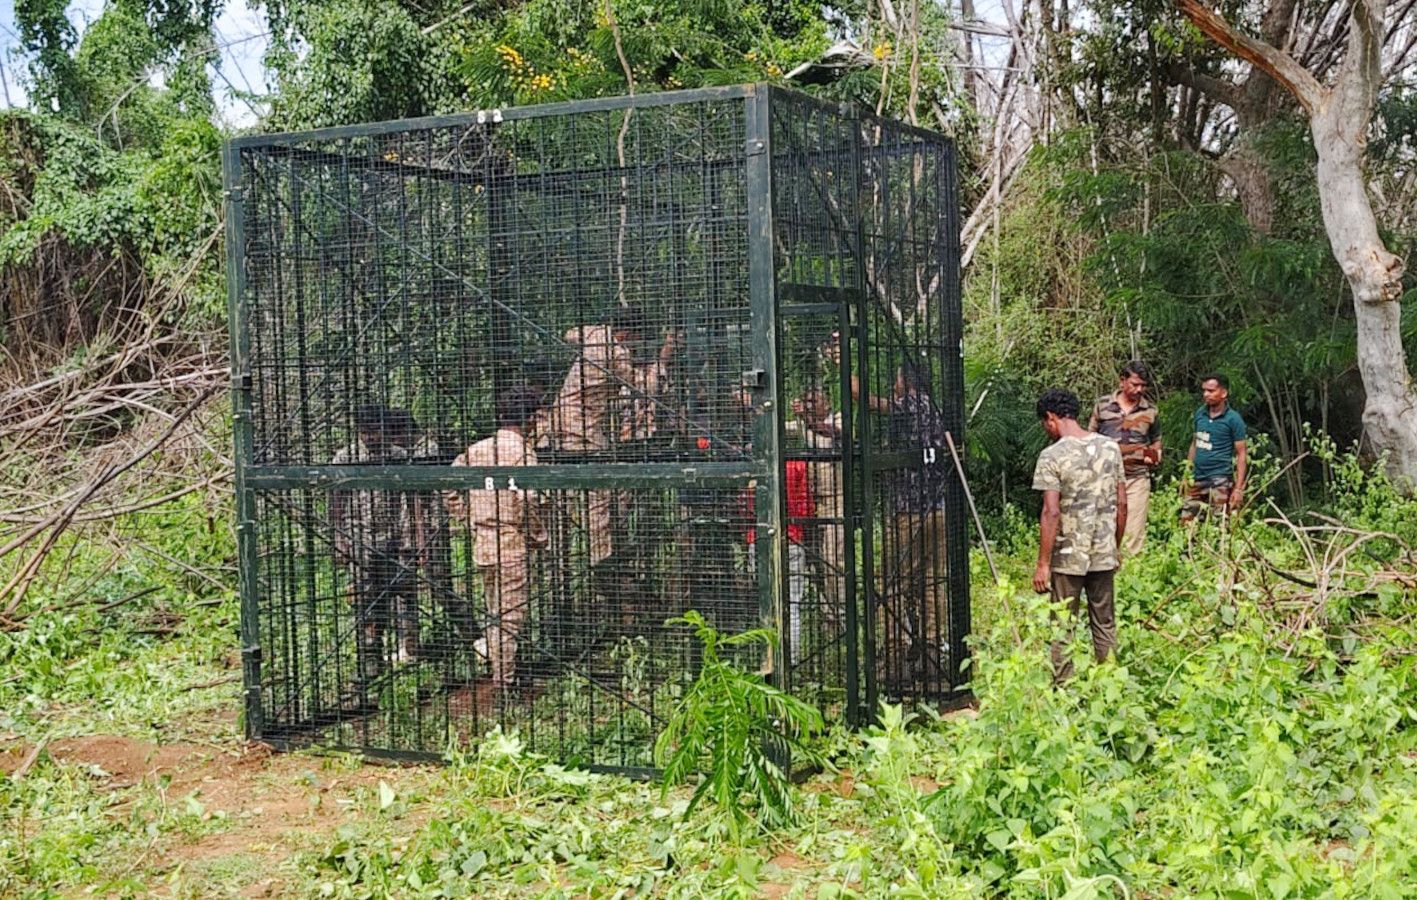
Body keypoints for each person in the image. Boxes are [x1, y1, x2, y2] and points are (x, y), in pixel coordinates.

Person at [546, 307, 677, 620]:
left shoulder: (592, 334)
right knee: (601, 491)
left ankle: (606, 546)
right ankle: (601, 555)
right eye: (637, 339)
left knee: (603, 486)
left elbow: (569, 333)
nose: (636, 346)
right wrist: (663, 359)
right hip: (581, 428)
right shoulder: (616, 352)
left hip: (563, 420)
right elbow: (645, 388)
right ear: (627, 334)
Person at [445, 386, 548, 694]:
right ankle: (505, 683)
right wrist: (537, 534)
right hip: (510, 541)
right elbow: (528, 499)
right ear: (529, 419)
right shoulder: (523, 453)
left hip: (483, 543)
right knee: (510, 618)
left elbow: (448, 484)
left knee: (495, 612)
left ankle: (501, 670)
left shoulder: (477, 450)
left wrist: (467, 515)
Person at [1032, 388, 1127, 683]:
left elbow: (1051, 512)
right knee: (1104, 622)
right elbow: (1122, 503)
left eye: (1045, 424)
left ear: (1051, 417)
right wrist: (1115, 547)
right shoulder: (1110, 448)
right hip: (1103, 553)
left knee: (1063, 625)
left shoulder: (1051, 456)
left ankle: (1065, 690)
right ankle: (1109, 685)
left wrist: (1043, 564)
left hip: (1067, 558)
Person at [330, 404, 413, 701]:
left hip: (392, 538)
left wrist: (411, 538)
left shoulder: (398, 456)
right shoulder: (346, 457)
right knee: (365, 603)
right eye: (365, 431)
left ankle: (404, 653)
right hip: (359, 540)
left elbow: (409, 499)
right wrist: (339, 539)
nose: (370, 437)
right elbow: (335, 502)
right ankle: (369, 664)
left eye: (375, 430)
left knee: (397, 595)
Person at [743, 459, 814, 665]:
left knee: (765, 602)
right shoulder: (797, 467)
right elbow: (806, 510)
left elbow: (745, 509)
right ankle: (790, 661)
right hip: (791, 539)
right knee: (792, 604)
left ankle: (766, 660)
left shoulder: (754, 466)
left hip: (760, 540)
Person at [1088, 361, 1161, 556]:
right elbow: (1090, 438)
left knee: (1133, 533)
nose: (1139, 390)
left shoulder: (1150, 410)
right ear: (1122, 381)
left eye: (1143, 386)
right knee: (1103, 528)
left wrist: (1152, 457)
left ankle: (1130, 569)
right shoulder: (1103, 406)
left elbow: (1156, 441)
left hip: (1136, 478)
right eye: (1135, 384)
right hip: (1105, 478)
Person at [789, 388, 846, 635]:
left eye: (815, 401)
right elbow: (778, 428)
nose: (811, 405)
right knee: (815, 564)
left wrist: (806, 418)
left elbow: (831, 432)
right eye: (807, 401)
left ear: (827, 402)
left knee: (833, 562)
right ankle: (828, 616)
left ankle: (841, 615)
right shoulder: (803, 424)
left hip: (836, 502)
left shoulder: (838, 419)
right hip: (811, 507)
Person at [1183, 374, 1248, 521]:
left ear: (1223, 393)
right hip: (1197, 478)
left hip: (1220, 480)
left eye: (1211, 391)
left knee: (1218, 524)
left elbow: (1241, 454)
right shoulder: (1200, 414)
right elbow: (1195, 444)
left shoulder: (1233, 419)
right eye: (1204, 390)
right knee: (1187, 523)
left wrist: (1238, 489)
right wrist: (1187, 473)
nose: (1206, 394)